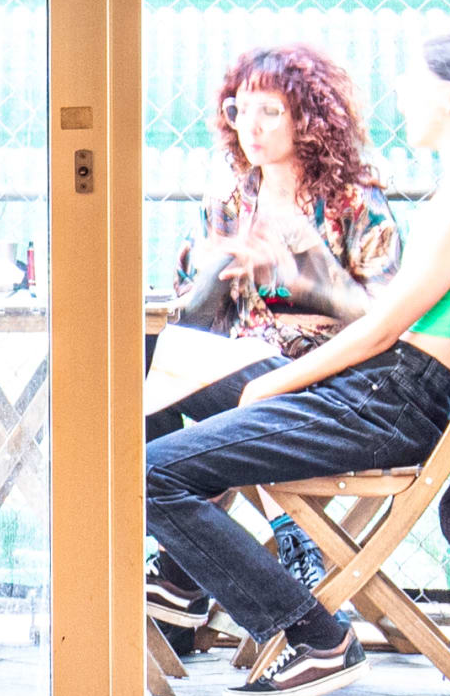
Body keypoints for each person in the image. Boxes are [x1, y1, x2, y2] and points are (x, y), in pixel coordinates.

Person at [142, 0, 450, 696]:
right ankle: (178, 577)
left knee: (151, 475)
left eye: (412, 83)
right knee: (154, 384)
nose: (400, 97)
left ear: (449, 97)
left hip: (388, 401)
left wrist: (275, 381)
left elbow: (382, 330)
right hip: (377, 390)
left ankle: (313, 637)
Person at [156, 42, 402, 438]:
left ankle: (172, 483)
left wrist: (309, 277)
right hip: (240, 368)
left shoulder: (354, 202)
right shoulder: (229, 202)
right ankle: (164, 481)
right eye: (239, 110)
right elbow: (185, 318)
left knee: (148, 361)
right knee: (137, 349)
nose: (249, 127)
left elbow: (386, 323)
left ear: (309, 121)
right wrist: (214, 265)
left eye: (270, 112)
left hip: (324, 383)